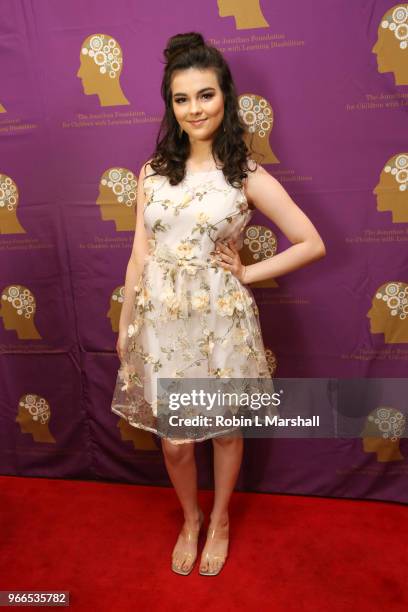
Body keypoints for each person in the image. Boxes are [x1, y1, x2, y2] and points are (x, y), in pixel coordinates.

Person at [110, 31, 326, 576]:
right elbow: (139, 255)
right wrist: (126, 319)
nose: (194, 109)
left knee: (225, 429)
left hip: (219, 321)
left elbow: (311, 241)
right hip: (160, 324)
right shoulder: (152, 173)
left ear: (224, 97)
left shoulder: (244, 175)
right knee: (177, 441)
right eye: (181, 99)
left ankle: (221, 518)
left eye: (205, 95)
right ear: (171, 106)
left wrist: (249, 271)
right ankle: (190, 517)